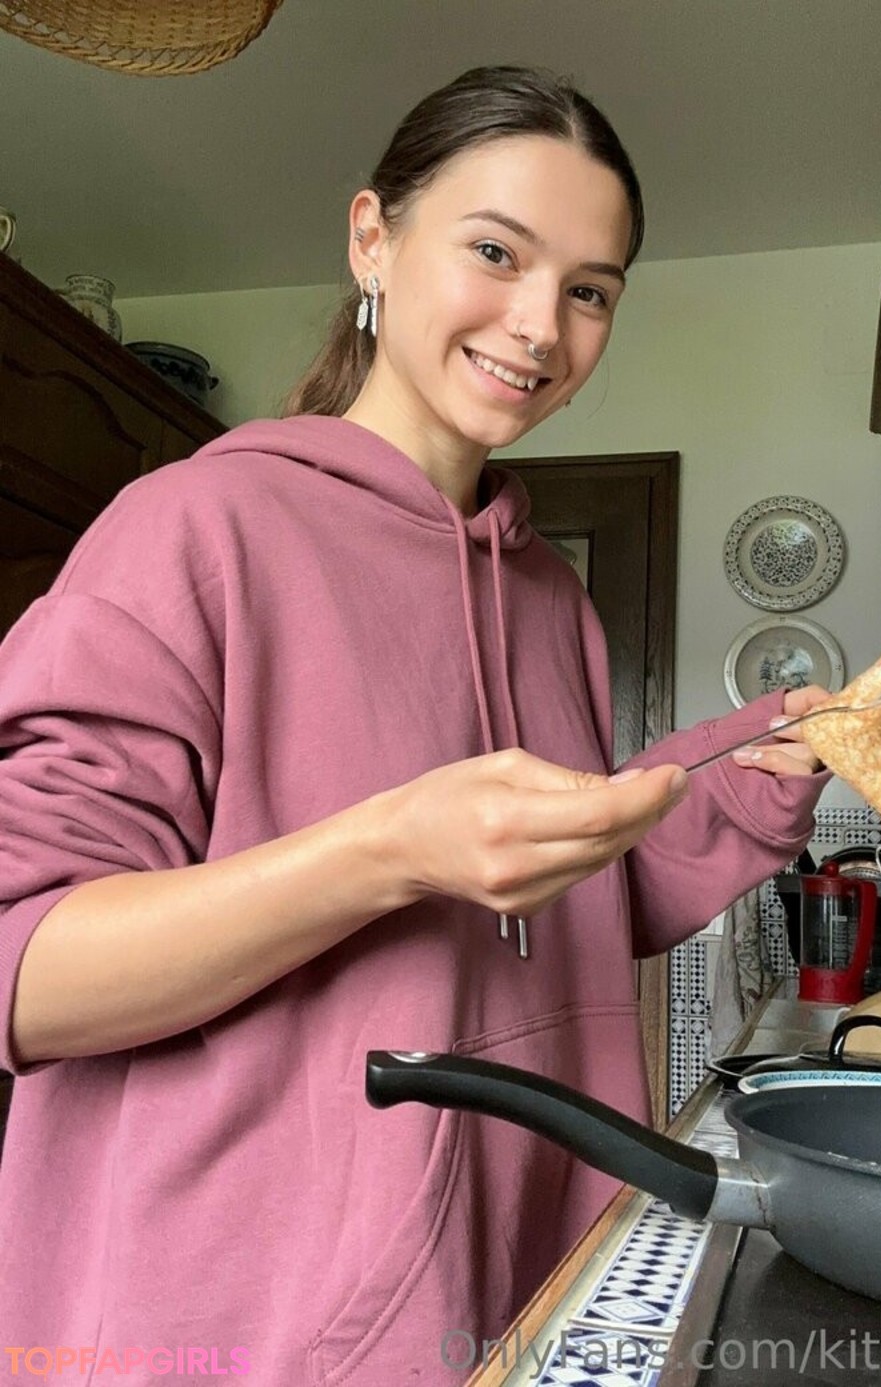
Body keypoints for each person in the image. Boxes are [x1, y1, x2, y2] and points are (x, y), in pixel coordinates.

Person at [0, 66, 828, 1385]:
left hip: (514, 1297)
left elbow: (560, 916)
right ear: (372, 241)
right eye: (496, 252)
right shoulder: (191, 532)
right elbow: (28, 970)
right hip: (228, 1336)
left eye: (591, 290)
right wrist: (389, 850)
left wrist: (745, 774)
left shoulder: (552, 599)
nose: (539, 325)